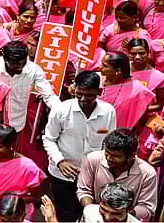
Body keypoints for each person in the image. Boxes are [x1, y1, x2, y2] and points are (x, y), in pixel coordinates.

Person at [42, 70, 117, 222]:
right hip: (62, 176)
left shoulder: (108, 112)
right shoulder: (61, 110)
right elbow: (49, 139)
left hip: (93, 176)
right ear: (74, 89)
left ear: (99, 91)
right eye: (79, 94)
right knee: (66, 214)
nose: (83, 99)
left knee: (89, 213)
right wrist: (60, 162)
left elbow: (108, 143)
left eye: (89, 95)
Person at [76, 129, 157, 221]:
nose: (109, 158)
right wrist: (92, 212)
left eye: (116, 156)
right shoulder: (93, 159)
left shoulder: (147, 173)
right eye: (107, 153)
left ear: (132, 155)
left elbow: (147, 208)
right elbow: (84, 190)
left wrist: (120, 214)